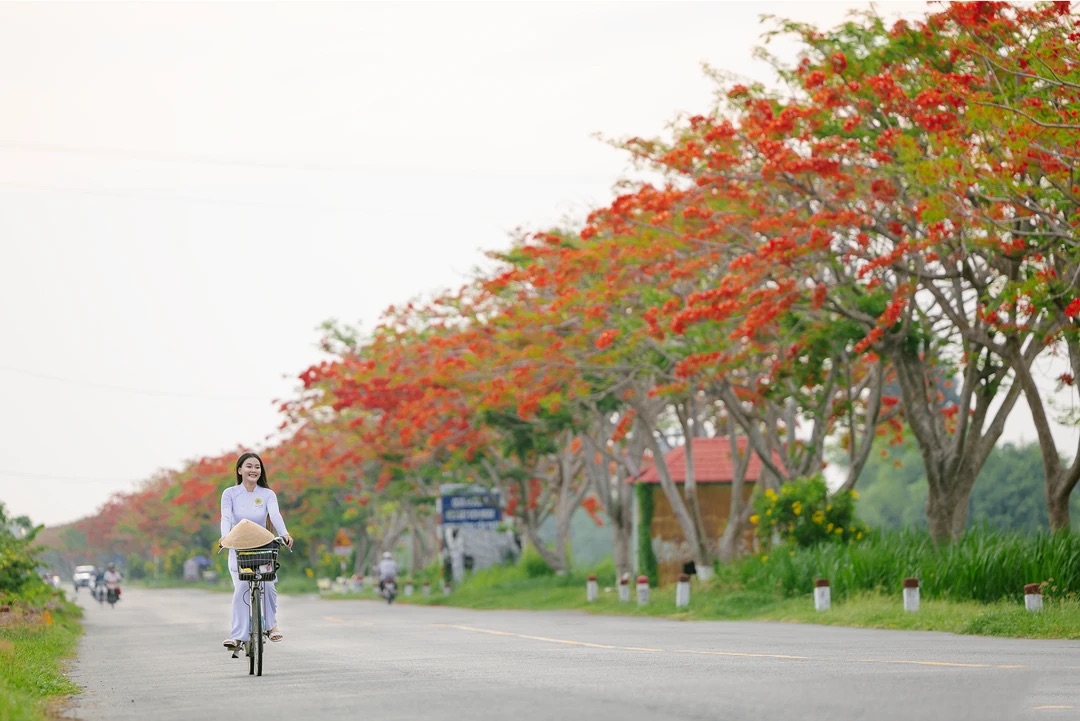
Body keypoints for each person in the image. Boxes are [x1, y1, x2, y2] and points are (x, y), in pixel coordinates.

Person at [220, 452, 294, 651]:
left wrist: (284, 533)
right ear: (240, 470)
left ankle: (271, 626)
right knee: (241, 590)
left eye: (257, 467)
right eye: (249, 466)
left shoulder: (267, 494)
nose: (254, 470)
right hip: (239, 547)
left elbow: (275, 514)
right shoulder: (230, 493)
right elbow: (226, 517)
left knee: (268, 585)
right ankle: (237, 637)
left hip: (262, 546)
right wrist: (224, 536)